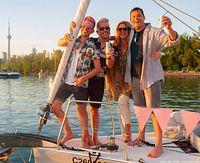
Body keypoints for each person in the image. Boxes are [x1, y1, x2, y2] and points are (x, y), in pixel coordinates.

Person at [125, 7, 179, 157]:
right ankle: (141, 137)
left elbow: (171, 41)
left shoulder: (154, 31)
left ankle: (159, 145)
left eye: (139, 16)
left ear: (144, 17)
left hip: (151, 78)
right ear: (131, 19)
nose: (136, 18)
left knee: (155, 112)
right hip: (134, 78)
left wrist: (169, 28)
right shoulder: (130, 34)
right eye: (134, 16)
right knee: (140, 110)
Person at [106, 20, 161, 146]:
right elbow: (110, 65)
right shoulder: (114, 46)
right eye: (120, 29)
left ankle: (135, 134)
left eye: (125, 29)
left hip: (137, 79)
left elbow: (150, 47)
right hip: (123, 82)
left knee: (143, 107)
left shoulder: (135, 43)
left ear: (130, 30)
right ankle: (131, 131)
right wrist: (109, 57)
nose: (123, 31)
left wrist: (159, 53)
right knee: (124, 103)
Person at [52, 16, 101, 148]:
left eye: (90, 27)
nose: (86, 28)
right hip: (66, 82)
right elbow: (60, 43)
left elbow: (98, 68)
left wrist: (83, 78)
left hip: (80, 83)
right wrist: (66, 37)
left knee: (81, 111)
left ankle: (85, 139)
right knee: (55, 107)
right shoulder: (72, 40)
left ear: (92, 31)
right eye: (85, 25)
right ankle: (68, 133)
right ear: (81, 26)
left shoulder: (91, 46)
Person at [88, 18, 115, 146]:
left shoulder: (113, 47)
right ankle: (84, 135)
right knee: (80, 107)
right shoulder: (91, 41)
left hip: (98, 81)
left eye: (108, 28)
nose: (105, 30)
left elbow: (110, 66)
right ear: (97, 31)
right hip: (84, 79)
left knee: (94, 110)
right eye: (102, 28)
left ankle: (94, 137)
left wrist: (110, 56)